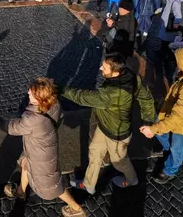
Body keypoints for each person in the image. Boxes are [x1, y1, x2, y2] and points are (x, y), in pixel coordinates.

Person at [65, 54, 155, 193]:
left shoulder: (111, 93)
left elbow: (82, 97)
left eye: (105, 68)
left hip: (117, 135)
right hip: (104, 126)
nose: (101, 68)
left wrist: (60, 90)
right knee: (95, 152)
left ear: (116, 72)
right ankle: (89, 184)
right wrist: (148, 120)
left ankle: (132, 180)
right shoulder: (131, 76)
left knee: (119, 161)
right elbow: (146, 98)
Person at [0, 78, 86, 217]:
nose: (28, 92)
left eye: (32, 92)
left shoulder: (32, 118)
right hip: (39, 149)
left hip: (41, 156)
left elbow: (12, 128)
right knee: (26, 165)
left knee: (52, 186)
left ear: (39, 99)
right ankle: (21, 192)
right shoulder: (54, 104)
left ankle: (76, 208)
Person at [139, 48, 183, 183]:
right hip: (179, 115)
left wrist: (153, 129)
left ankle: (170, 170)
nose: (177, 65)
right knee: (164, 136)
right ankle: (167, 151)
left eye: (179, 63)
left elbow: (177, 118)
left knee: (177, 148)